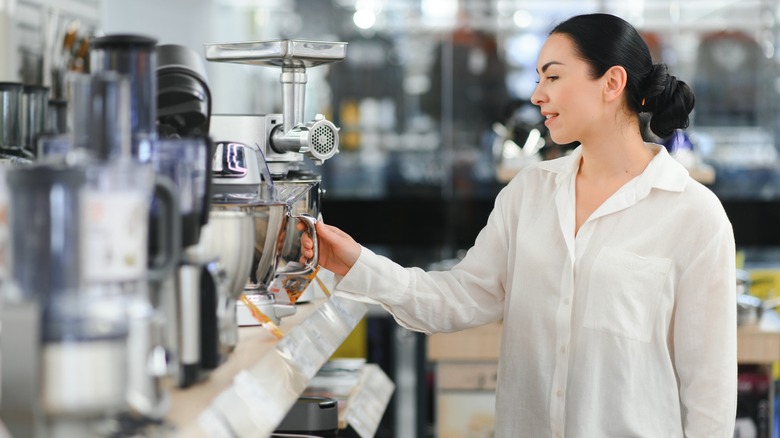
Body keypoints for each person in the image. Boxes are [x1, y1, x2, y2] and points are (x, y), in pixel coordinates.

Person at [301, 13, 737, 437]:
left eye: (553, 77)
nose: (537, 96)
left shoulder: (693, 215)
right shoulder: (529, 193)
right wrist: (357, 263)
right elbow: (457, 299)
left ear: (611, 83)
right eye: (538, 79)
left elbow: (709, 391)